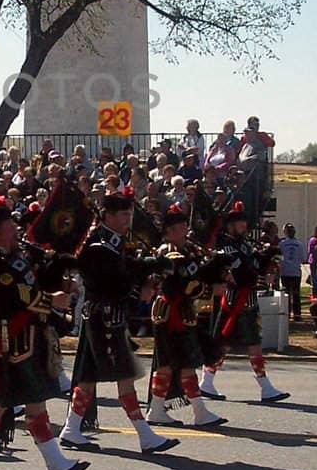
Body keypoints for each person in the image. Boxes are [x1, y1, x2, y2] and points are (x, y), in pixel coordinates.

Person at [0, 197, 87, 470]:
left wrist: (59, 280)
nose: (15, 232)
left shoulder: (14, 256)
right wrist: (52, 301)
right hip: (5, 344)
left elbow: (32, 283)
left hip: (22, 342)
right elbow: (17, 297)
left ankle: (56, 463)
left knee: (34, 402)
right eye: (8, 228)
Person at [58, 192, 177, 454]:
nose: (128, 220)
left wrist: (146, 272)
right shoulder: (98, 245)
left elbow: (126, 270)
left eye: (129, 215)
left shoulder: (114, 243)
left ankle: (71, 428)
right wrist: (143, 278)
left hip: (106, 316)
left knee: (88, 377)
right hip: (104, 318)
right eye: (123, 215)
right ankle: (145, 435)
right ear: (108, 215)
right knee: (125, 375)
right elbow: (115, 280)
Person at [144, 205, 226, 429]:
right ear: (169, 231)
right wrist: (210, 289)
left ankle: (158, 409)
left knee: (173, 364)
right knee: (175, 363)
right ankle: (197, 412)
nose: (185, 229)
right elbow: (186, 285)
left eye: (184, 225)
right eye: (179, 227)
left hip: (182, 313)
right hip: (170, 314)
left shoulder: (188, 251)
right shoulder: (168, 254)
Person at [199, 205, 289, 404]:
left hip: (247, 300)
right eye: (239, 222)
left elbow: (254, 265)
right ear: (230, 225)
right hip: (235, 302)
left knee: (233, 344)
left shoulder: (245, 246)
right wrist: (257, 264)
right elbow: (244, 274)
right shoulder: (227, 248)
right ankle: (263, 386)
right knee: (241, 344)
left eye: (244, 222)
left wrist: (267, 256)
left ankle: (208, 381)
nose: (243, 225)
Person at [277, 222, 306, 321]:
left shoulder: (282, 244)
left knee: (286, 294)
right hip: (295, 272)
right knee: (296, 294)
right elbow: (302, 258)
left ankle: (287, 313)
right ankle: (297, 315)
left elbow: (279, 257)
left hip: (285, 271)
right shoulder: (299, 244)